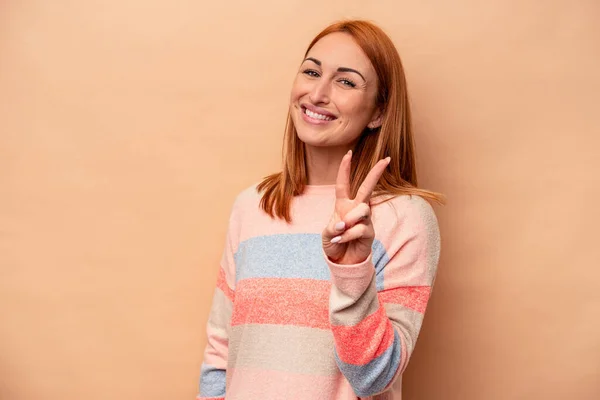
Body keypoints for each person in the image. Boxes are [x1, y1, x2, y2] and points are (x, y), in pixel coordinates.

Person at [196, 19, 443, 400]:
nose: (318, 93)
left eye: (346, 81)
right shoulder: (252, 205)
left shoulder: (404, 216)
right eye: (311, 72)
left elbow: (375, 377)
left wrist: (351, 272)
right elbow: (219, 354)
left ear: (378, 113)